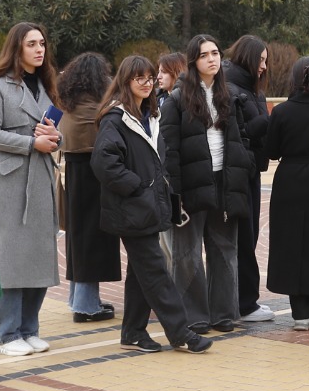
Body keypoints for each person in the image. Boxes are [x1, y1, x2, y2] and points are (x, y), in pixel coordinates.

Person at [91, 56, 214, 355]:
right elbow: (104, 163)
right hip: (131, 209)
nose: (147, 83)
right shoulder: (116, 119)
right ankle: (181, 333)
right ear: (126, 81)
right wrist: (137, 187)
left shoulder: (150, 115)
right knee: (156, 270)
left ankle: (133, 333)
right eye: (140, 78)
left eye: (149, 77)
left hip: (146, 207)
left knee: (141, 272)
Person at [0, 23, 63, 357]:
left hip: (41, 179)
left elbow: (54, 134)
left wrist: (55, 138)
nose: (40, 49)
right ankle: (4, 335)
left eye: (42, 43)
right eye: (32, 44)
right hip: (10, 183)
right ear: (17, 48)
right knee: (10, 259)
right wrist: (31, 143)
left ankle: (29, 329)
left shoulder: (46, 85)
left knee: (39, 255)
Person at [161, 34, 255, 333]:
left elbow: (242, 137)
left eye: (215, 53)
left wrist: (245, 164)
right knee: (186, 254)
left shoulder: (229, 95)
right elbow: (169, 150)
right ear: (193, 61)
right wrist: (175, 192)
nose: (212, 59)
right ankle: (194, 316)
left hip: (224, 181)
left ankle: (223, 314)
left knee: (225, 249)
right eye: (204, 55)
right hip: (191, 184)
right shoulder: (177, 99)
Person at [264, 56, 309, 330]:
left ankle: (301, 315)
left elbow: (272, 151)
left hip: (289, 181)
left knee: (292, 244)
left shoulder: (282, 111)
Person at [59, 52, 120, 323]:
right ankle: (86, 306)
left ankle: (80, 299)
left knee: (78, 239)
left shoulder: (69, 103)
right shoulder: (97, 107)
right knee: (92, 242)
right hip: (94, 174)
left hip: (74, 174)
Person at [224, 34, 275, 323]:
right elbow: (237, 133)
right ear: (247, 57)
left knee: (249, 236)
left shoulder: (253, 90)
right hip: (237, 173)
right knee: (242, 238)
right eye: (261, 60)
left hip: (251, 171)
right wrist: (268, 121)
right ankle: (244, 304)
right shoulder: (230, 88)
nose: (264, 66)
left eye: (266, 61)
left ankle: (243, 301)